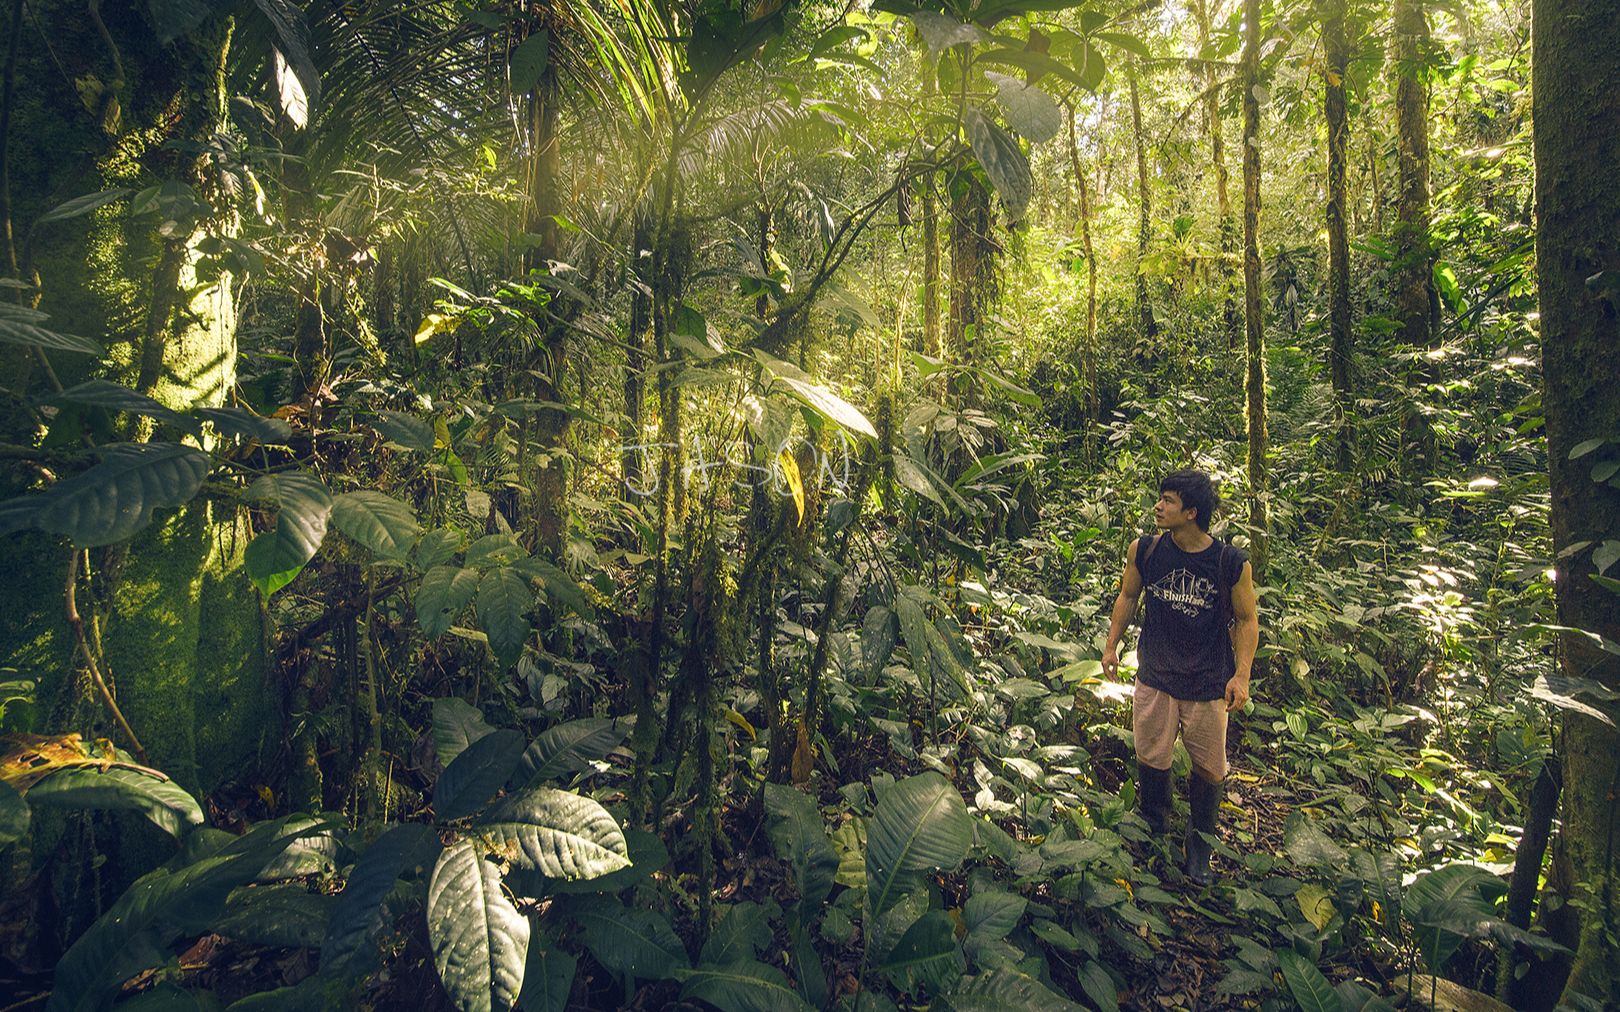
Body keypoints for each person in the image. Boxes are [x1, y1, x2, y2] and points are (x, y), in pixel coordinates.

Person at [1100, 468, 1259, 885]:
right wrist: (1111, 645)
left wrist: (1241, 676)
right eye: (1161, 498)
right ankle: (1154, 829)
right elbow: (1128, 596)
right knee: (1151, 756)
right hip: (1156, 675)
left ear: (1191, 512)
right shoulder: (1146, 551)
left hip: (1207, 682)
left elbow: (1246, 620)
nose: (1158, 506)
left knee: (1209, 767)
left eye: (1168, 500)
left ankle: (1200, 848)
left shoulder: (1230, 563)